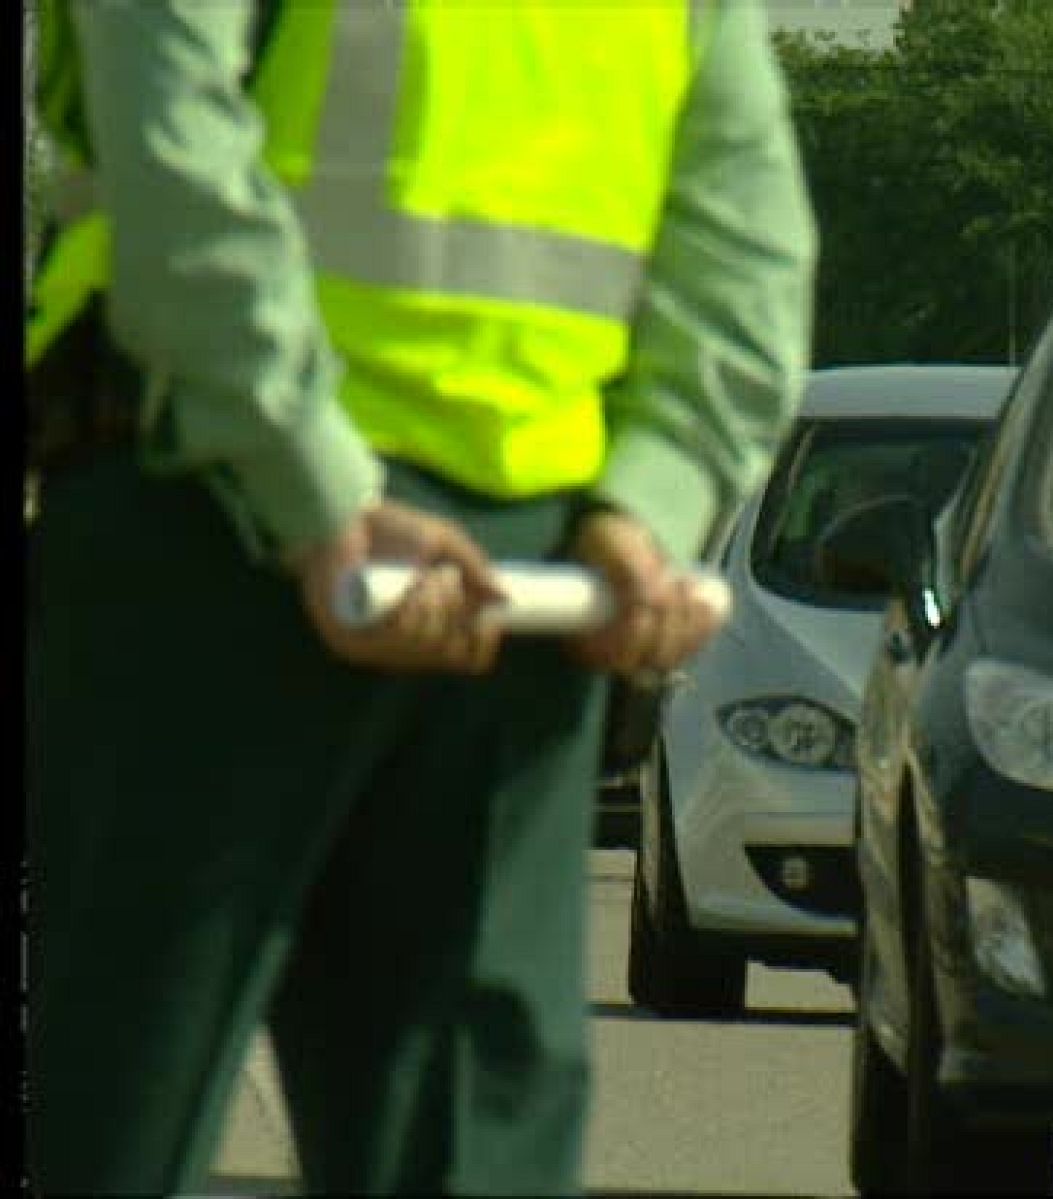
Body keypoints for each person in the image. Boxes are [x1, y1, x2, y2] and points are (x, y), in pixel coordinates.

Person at [24, 2, 816, 1195]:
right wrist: (646, 509)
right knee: (466, 1132)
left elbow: (170, 139)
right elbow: (747, 264)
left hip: (208, 513)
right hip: (523, 576)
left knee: (126, 1103)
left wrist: (318, 493)